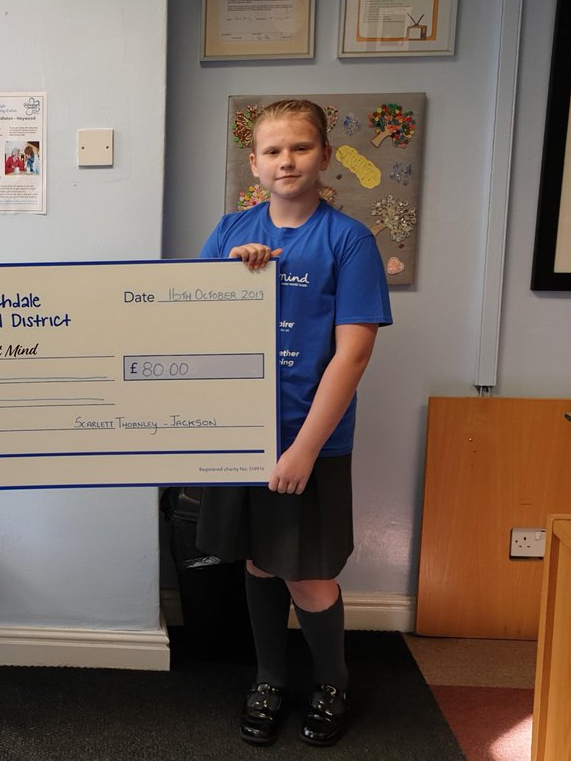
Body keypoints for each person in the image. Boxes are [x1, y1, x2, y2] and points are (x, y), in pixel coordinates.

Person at [196, 99, 392, 748]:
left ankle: (332, 680)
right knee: (257, 562)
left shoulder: (347, 240)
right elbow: (188, 322)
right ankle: (270, 677)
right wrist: (229, 282)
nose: (287, 160)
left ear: (324, 156)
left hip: (310, 442)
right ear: (253, 163)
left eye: (300, 148)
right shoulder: (230, 231)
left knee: (307, 572)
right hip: (238, 436)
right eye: (273, 150)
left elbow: (354, 350)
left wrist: (305, 449)